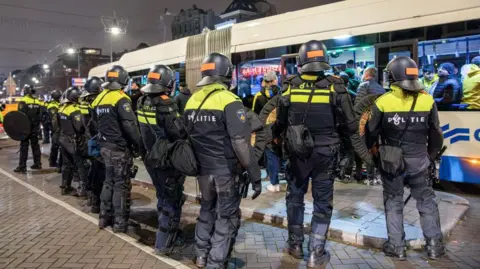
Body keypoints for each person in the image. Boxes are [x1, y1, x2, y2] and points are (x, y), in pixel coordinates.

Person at [273, 40, 362, 268]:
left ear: (301, 60)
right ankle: (316, 251)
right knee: (322, 202)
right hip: (326, 153)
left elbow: (280, 123)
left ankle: (294, 245)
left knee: (295, 198)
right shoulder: (336, 87)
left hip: (297, 153)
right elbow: (351, 126)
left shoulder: (289, 86)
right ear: (325, 59)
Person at [184, 53, 262, 269]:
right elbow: (241, 144)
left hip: (202, 171)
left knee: (206, 210)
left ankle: (201, 256)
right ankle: (216, 263)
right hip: (225, 172)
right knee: (225, 217)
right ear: (227, 73)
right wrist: (255, 175)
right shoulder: (230, 101)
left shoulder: (192, 100)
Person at [369, 56, 445, 260]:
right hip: (420, 161)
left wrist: (377, 159)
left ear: (392, 76)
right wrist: (429, 156)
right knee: (427, 202)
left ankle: (397, 247)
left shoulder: (382, 102)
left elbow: (370, 134)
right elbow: (436, 135)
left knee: (393, 203)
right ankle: (435, 247)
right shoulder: (427, 100)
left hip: (392, 163)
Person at [137, 65, 187, 254]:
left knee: (162, 195)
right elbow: (179, 132)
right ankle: (165, 241)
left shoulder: (142, 101)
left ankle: (165, 231)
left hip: (151, 158)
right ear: (167, 83)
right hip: (166, 160)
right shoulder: (166, 104)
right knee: (171, 199)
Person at [92, 65, 143, 233]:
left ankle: (103, 217)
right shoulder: (121, 99)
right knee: (121, 185)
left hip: (104, 147)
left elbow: (93, 123)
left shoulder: (99, 98)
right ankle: (120, 223)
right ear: (123, 80)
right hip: (119, 148)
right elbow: (130, 125)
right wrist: (138, 144)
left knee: (108, 181)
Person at [354, 67, 386, 185]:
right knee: (376, 149)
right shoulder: (381, 88)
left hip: (365, 122)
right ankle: (379, 175)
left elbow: (358, 105)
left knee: (364, 149)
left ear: (366, 74)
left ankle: (370, 176)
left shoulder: (363, 86)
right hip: (378, 124)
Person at [81, 76, 106, 213]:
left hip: (88, 140)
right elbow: (94, 124)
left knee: (92, 170)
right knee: (99, 172)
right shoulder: (97, 102)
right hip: (96, 141)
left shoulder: (84, 102)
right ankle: (97, 202)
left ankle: (92, 198)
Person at [58, 87, 88, 197]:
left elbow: (57, 125)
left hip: (63, 139)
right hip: (73, 142)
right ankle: (83, 188)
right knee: (80, 165)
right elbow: (79, 127)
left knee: (66, 165)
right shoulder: (74, 110)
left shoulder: (61, 108)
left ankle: (65, 186)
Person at [14, 85, 44, 173]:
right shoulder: (38, 101)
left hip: (26, 127)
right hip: (35, 127)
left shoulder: (24, 100)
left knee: (24, 146)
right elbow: (40, 115)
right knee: (35, 145)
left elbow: (20, 115)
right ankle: (37, 163)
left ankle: (22, 166)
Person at [47, 90, 62, 169]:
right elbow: (54, 120)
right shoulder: (52, 105)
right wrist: (56, 129)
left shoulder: (58, 104)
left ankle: (58, 161)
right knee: (55, 145)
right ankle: (52, 161)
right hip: (55, 129)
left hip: (59, 128)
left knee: (59, 145)